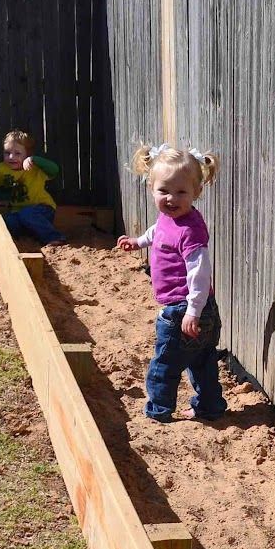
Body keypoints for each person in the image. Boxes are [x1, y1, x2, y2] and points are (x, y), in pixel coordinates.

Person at [117, 143, 226, 424]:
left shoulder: (191, 230)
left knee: (164, 364)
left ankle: (159, 411)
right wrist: (138, 242)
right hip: (196, 309)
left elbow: (199, 273)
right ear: (151, 188)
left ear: (196, 192)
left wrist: (193, 310)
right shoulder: (169, 218)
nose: (171, 198)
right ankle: (210, 407)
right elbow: (158, 233)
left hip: (184, 309)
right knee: (202, 362)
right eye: (164, 191)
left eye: (181, 192)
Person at [0, 131, 65, 245]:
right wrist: (4, 201)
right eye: (7, 153)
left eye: (17, 153)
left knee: (28, 214)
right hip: (18, 211)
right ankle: (29, 238)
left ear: (27, 154)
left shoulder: (34, 168)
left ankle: (54, 237)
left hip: (43, 209)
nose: (11, 157)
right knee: (9, 221)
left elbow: (54, 170)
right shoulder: (2, 169)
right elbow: (3, 187)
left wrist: (35, 160)